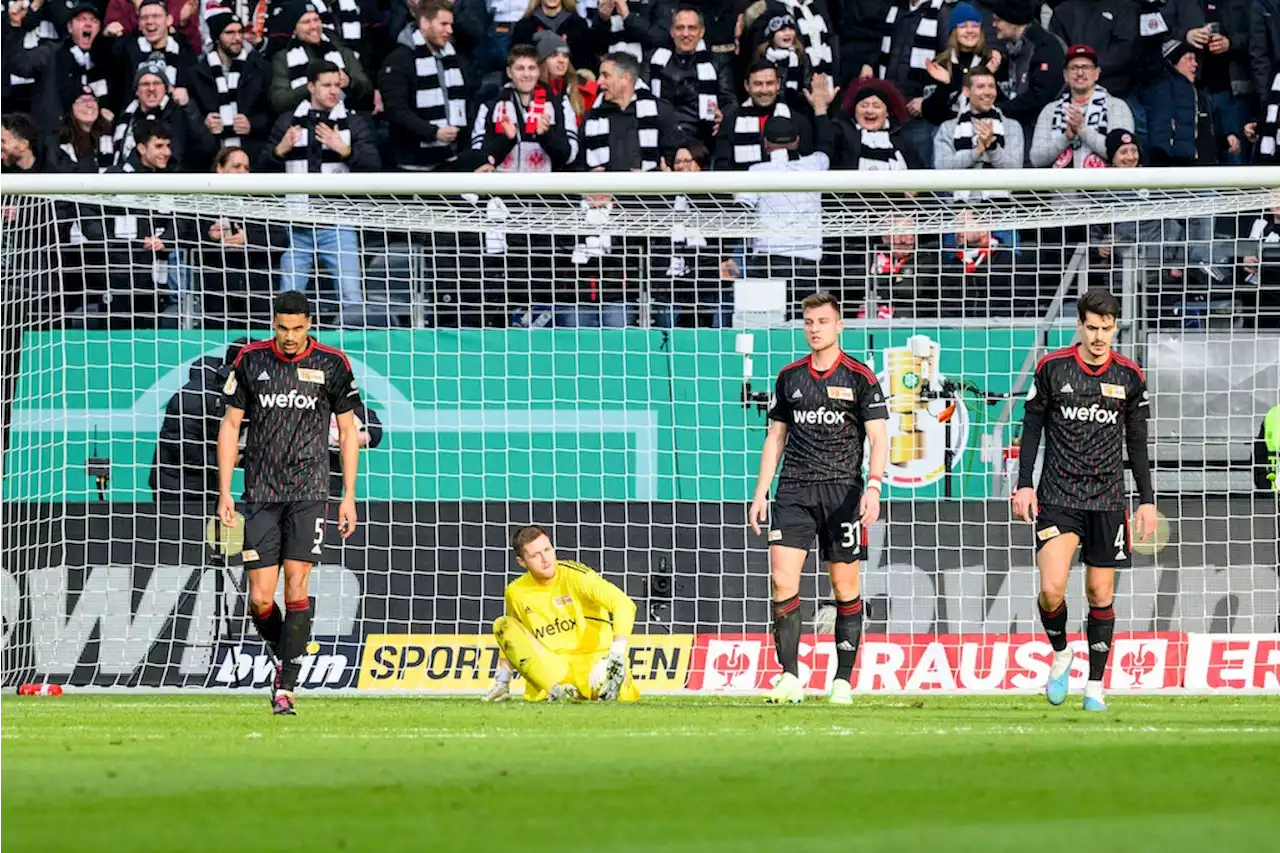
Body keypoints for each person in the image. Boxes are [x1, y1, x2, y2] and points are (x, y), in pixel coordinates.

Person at [216, 291, 362, 716]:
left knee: (297, 582)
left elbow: (348, 431)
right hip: (259, 492)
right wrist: (224, 491)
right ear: (273, 324)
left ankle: (286, 685)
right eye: (282, 328)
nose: (290, 337)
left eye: (298, 328)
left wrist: (348, 495)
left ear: (309, 325)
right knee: (260, 600)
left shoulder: (332, 364)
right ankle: (290, 654)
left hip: (309, 490)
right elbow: (229, 426)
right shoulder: (250, 360)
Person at [1012, 288, 1156, 713]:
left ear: (1115, 328)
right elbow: (1032, 428)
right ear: (1079, 325)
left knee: (1099, 592)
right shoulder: (1052, 368)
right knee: (1052, 590)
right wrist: (1024, 484)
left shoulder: (1129, 376)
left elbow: (1138, 442)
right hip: (1058, 496)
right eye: (1091, 328)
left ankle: (1095, 685)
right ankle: (1060, 653)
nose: (1098, 337)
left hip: (1108, 500)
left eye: (1106, 329)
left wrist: (1146, 500)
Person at [747, 292, 889, 705]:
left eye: (823, 322)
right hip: (793, 491)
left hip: (842, 492)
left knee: (844, 586)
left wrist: (875, 486)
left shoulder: (860, 377)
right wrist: (761, 494)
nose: (814, 329)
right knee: (781, 580)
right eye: (809, 322)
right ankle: (790, 676)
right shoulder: (790, 377)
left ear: (839, 325)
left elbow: (879, 437)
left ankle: (842, 680)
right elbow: (775, 438)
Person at [483, 525, 639, 703]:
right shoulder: (515, 591)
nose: (545, 559)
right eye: (535, 555)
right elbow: (513, 641)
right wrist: (502, 680)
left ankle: (609, 676)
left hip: (594, 664)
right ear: (522, 562)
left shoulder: (576, 575)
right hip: (555, 669)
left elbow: (624, 604)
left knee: (611, 688)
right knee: (503, 624)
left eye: (547, 549)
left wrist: (616, 654)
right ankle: (556, 691)